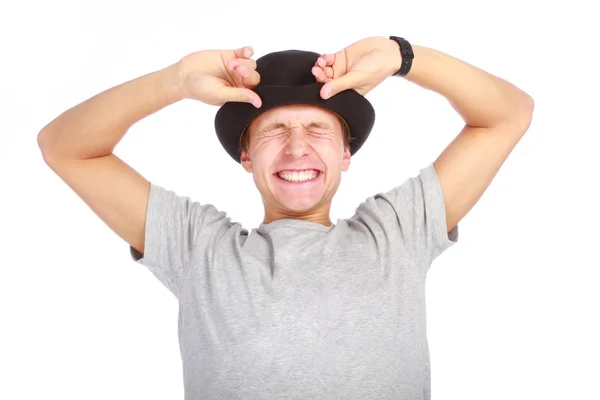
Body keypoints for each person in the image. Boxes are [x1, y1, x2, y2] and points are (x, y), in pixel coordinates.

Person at [37, 36, 534, 399]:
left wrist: (403, 56)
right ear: (247, 156)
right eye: (274, 131)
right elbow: (65, 148)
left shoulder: (396, 232)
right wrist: (176, 80)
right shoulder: (199, 248)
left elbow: (508, 114)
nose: (297, 147)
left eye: (318, 130)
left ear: (346, 155)